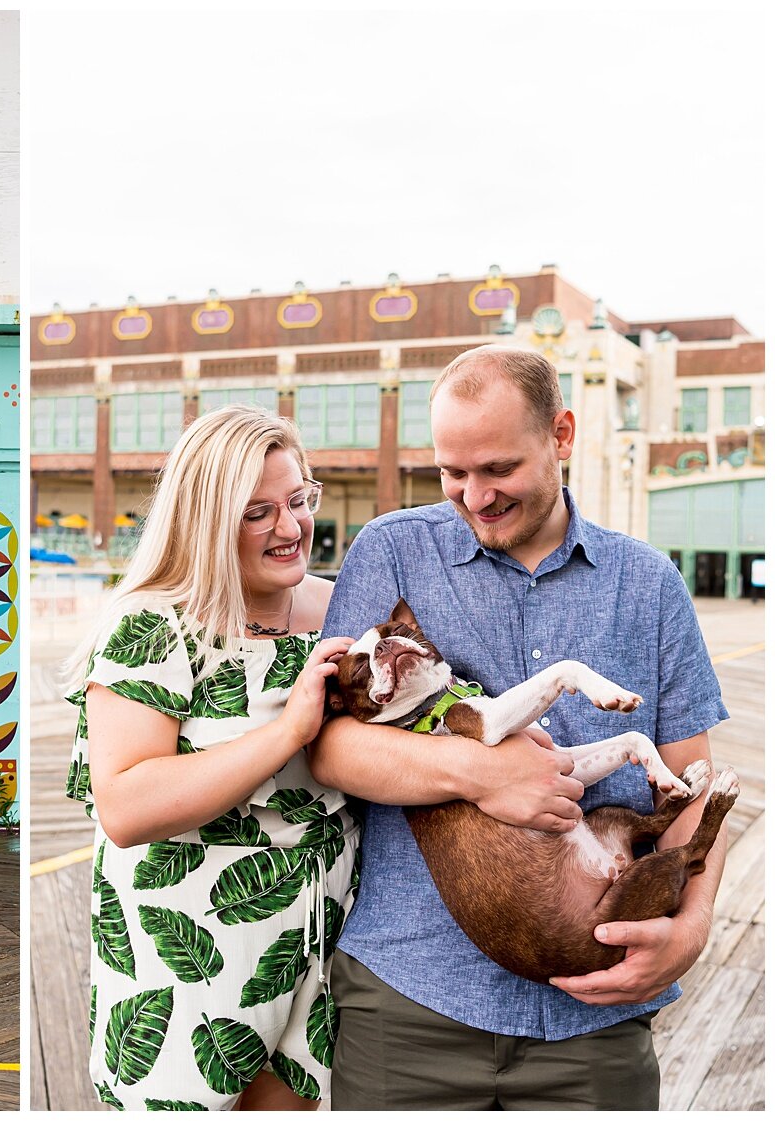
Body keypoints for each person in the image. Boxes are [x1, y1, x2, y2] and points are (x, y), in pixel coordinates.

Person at [308, 344, 729, 1110]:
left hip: (594, 1024)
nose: (473, 494)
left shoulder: (650, 586)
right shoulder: (393, 553)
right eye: (451, 472)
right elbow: (332, 747)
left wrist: (690, 929)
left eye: (498, 468)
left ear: (561, 435)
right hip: (409, 1005)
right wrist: (481, 772)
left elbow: (694, 783)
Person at [64, 405, 357, 1111]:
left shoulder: (345, 606)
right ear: (206, 517)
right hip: (187, 957)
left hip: (318, 939)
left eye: (298, 500)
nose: (290, 528)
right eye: (258, 512)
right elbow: (128, 805)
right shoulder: (155, 624)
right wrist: (287, 733)